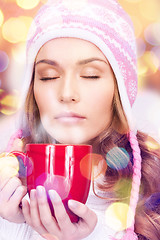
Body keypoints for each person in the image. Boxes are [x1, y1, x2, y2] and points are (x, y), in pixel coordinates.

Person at [0, 0, 160, 239]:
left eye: (90, 75)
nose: (66, 94)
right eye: (49, 76)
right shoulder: (9, 183)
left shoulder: (149, 190)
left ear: (120, 92)